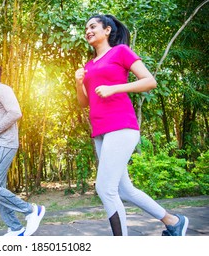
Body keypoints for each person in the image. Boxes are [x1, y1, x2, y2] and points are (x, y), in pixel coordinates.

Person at [74, 14, 189, 236]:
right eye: (85, 28)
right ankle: (173, 221)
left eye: (93, 26)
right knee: (124, 190)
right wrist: (78, 83)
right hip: (100, 132)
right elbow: (83, 102)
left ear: (107, 30)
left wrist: (114, 88)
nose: (88, 30)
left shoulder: (120, 52)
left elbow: (150, 81)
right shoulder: (88, 65)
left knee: (105, 189)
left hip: (121, 125)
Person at [0, 61, 45, 236]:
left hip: (6, 143)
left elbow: (15, 112)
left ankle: (31, 210)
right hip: (0, 142)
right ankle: (15, 228)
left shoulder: (1, 89)